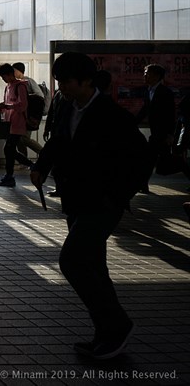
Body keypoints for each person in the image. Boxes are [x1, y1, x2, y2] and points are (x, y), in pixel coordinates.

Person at [30, 52, 143, 360]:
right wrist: (41, 165)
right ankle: (106, 333)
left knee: (72, 261)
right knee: (94, 267)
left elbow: (139, 159)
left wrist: (117, 197)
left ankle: (117, 325)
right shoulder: (68, 107)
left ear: (87, 81)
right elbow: (57, 142)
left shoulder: (112, 115)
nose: (61, 88)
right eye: (58, 82)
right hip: (77, 199)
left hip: (103, 204)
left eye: (65, 82)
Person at [136, 63, 175, 193]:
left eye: (147, 73)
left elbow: (171, 114)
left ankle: (143, 185)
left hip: (163, 134)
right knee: (150, 159)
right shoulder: (149, 91)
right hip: (156, 133)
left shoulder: (165, 92)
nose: (144, 76)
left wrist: (170, 134)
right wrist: (132, 122)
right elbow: (144, 111)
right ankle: (143, 185)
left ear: (157, 76)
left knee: (151, 159)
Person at [0, 63, 32, 188]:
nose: (3, 79)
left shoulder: (20, 86)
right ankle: (13, 174)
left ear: (10, 74)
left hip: (18, 122)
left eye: (4, 77)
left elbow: (23, 105)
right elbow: (7, 103)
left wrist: (8, 106)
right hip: (10, 123)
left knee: (8, 149)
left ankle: (13, 175)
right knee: (9, 150)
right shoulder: (8, 87)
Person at [12, 62, 45, 157]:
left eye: (14, 70)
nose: (13, 72)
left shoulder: (28, 81)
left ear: (19, 71)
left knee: (24, 138)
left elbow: (40, 95)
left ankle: (45, 154)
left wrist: (25, 97)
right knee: (19, 139)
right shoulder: (16, 83)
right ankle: (25, 161)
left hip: (29, 115)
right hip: (21, 115)